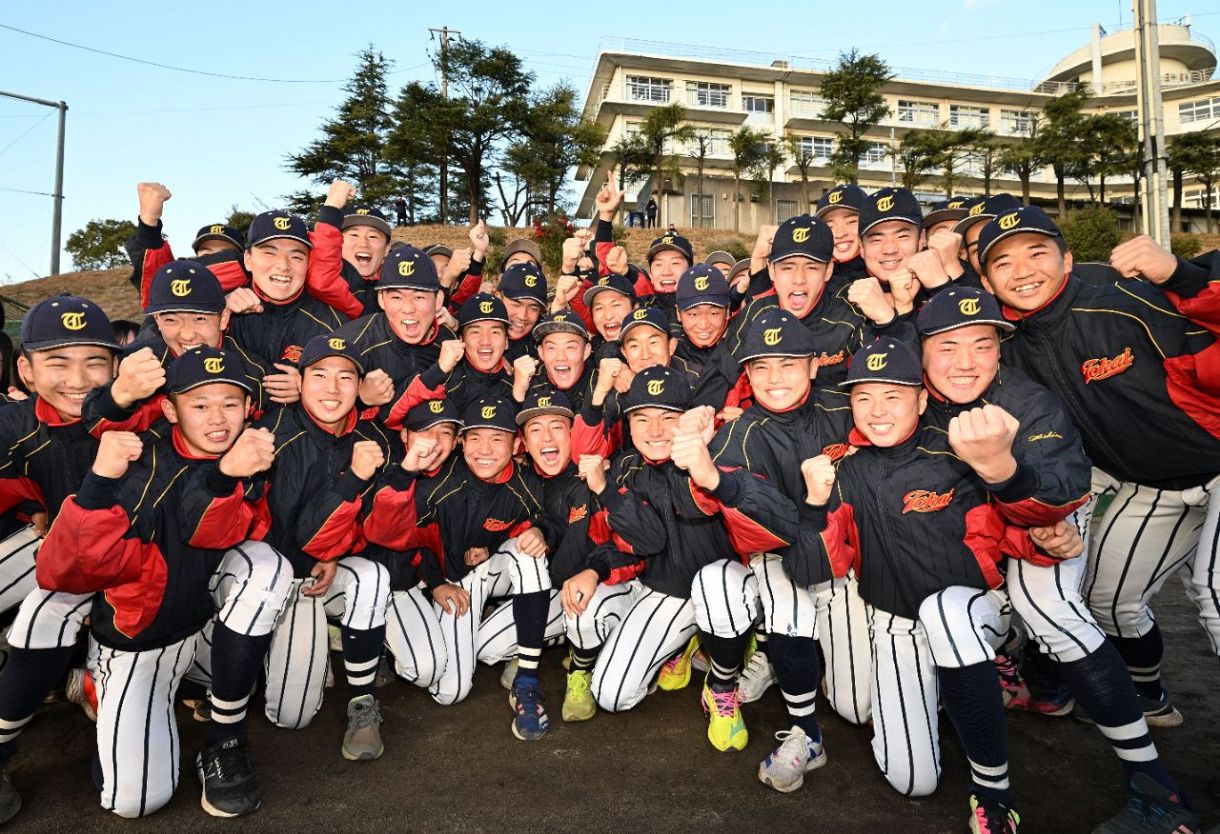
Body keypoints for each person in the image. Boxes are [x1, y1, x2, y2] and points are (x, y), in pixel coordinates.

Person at [795, 338, 1083, 831]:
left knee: (948, 615)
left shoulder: (957, 453)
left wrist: (1047, 536)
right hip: (894, 623)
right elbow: (808, 571)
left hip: (971, 608)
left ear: (923, 398)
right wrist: (813, 505)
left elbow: (1013, 525)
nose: (877, 410)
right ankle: (951, 690)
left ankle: (994, 790)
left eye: (894, 395)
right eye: (864, 397)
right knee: (912, 781)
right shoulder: (845, 468)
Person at [37, 347, 293, 819]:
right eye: (199, 405)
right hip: (141, 641)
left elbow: (220, 532)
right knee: (135, 801)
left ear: (247, 407)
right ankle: (102, 690)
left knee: (268, 569)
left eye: (230, 403)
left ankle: (224, 739)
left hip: (200, 631)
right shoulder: (138, 460)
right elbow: (64, 572)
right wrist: (96, 483)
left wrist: (225, 478)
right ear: (171, 408)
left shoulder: (249, 455)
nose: (218, 418)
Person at [364, 397, 555, 740]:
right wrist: (436, 583)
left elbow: (544, 518)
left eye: (498, 439)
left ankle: (527, 680)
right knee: (450, 692)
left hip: (488, 573)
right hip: (452, 583)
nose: (485, 449)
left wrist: (537, 531)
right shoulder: (438, 485)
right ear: (462, 443)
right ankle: (393, 646)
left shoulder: (528, 484)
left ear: (516, 445)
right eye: (476, 437)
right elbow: (394, 537)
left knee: (530, 549)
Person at [0, 295, 121, 823]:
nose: (78, 378)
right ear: (25, 371)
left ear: (115, 366)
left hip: (133, 571)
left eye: (93, 360)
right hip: (58, 567)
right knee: (43, 613)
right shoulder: (11, 425)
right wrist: (30, 507)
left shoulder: (142, 418)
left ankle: (99, 694)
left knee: (126, 788)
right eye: (57, 361)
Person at [253, 334, 395, 760]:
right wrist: (350, 482)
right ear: (300, 380)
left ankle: (363, 702)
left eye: (345, 377)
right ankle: (254, 660)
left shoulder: (372, 438)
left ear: (359, 385)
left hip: (323, 574)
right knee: (290, 716)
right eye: (320, 375)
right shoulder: (270, 433)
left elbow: (371, 524)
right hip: (275, 578)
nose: (332, 389)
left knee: (372, 576)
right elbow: (283, 533)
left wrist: (335, 549)